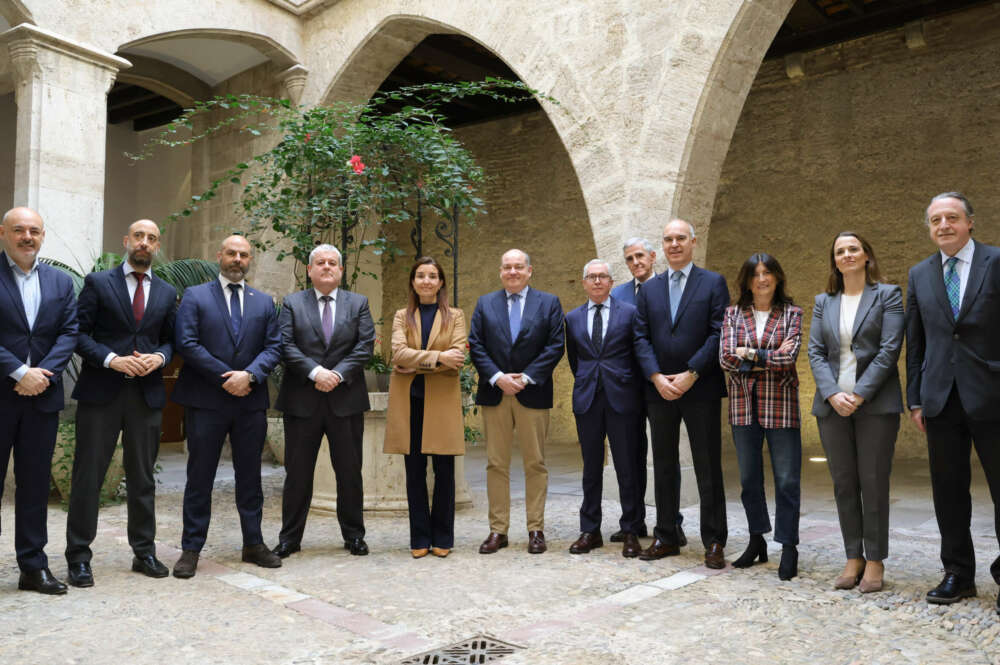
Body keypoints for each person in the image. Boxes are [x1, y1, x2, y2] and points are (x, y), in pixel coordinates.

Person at [64, 219, 177, 587]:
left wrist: (159, 359)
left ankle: (144, 551)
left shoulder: (165, 291)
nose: (144, 243)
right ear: (126, 241)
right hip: (102, 391)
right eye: (139, 237)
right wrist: (112, 359)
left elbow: (170, 340)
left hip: (146, 394)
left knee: (143, 478)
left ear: (157, 246)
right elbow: (78, 333)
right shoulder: (99, 283)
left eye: (152, 238)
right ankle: (79, 556)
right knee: (88, 476)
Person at [906, 192, 1000, 612]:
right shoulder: (920, 274)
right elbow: (916, 342)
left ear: (970, 222)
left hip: (992, 394)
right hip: (940, 398)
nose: (944, 225)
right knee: (948, 492)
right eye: (936, 220)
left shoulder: (995, 263)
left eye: (952, 217)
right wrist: (915, 399)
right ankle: (958, 573)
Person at [170, 234, 283, 578]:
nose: (237, 259)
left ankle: (253, 544)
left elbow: (274, 346)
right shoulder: (195, 296)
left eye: (244, 255)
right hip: (206, 400)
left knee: (250, 476)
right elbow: (186, 342)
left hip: (250, 401)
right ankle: (191, 548)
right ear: (219, 255)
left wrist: (249, 375)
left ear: (250, 260)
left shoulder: (264, 302)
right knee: (199, 475)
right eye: (231, 253)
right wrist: (226, 376)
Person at [808, 232, 903, 593]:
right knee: (844, 482)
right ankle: (853, 556)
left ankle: (875, 559)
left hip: (876, 404)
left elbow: (889, 350)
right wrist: (833, 394)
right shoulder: (823, 302)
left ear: (866, 256)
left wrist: (859, 394)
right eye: (840, 251)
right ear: (834, 261)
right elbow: (815, 352)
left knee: (874, 481)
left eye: (853, 249)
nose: (847, 255)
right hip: (831, 406)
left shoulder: (888, 295)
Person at [634, 219, 729, 568]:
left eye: (680, 238)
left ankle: (714, 540)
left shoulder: (712, 283)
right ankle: (666, 535)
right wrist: (657, 376)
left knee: (707, 465)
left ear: (693, 242)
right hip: (659, 390)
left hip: (700, 386)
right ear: (662, 247)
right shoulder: (650, 289)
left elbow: (719, 333)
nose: (675, 244)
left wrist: (691, 373)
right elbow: (640, 337)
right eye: (668, 239)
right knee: (663, 465)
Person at [272, 244, 374, 558]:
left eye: (332, 263)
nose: (326, 267)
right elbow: (285, 345)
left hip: (346, 401)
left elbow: (365, 345)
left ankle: (354, 535)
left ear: (340, 271)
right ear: (310, 270)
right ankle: (290, 538)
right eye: (320, 262)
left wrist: (338, 374)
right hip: (303, 401)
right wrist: (317, 373)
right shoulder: (292, 303)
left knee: (349, 472)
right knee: (298, 474)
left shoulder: (358, 303)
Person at [0, 206, 78, 595]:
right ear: (4, 233)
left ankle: (33, 567)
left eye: (34, 230)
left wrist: (41, 374)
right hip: (2, 392)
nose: (27, 237)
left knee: (34, 486)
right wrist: (18, 372)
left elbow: (69, 332)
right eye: (19, 230)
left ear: (42, 236)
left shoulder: (61, 283)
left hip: (42, 397)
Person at [468, 248, 565, 554]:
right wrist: (498, 377)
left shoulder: (548, 303)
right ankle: (498, 530)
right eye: (507, 267)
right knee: (496, 463)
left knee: (535, 463)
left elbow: (555, 345)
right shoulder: (486, 304)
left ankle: (535, 528)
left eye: (518, 267)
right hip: (496, 393)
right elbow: (476, 345)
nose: (512, 272)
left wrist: (524, 378)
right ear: (500, 272)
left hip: (532, 392)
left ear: (529, 271)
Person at [719, 253, 803, 580]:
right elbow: (726, 359)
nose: (761, 279)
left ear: (777, 277)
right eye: (754, 274)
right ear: (746, 281)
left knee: (786, 480)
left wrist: (749, 353)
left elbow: (789, 357)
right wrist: (767, 356)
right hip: (743, 406)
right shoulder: (732, 314)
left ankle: (789, 546)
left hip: (781, 405)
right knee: (749, 479)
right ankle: (757, 540)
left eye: (767, 272)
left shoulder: (792, 313)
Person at [384, 257, 466, 558]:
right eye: (421, 275)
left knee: (445, 472)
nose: (427, 281)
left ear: (441, 282)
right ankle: (419, 537)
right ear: (413, 281)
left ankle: (443, 537)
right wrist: (438, 359)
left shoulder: (455, 316)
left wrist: (419, 363)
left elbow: (458, 355)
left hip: (442, 402)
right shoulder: (401, 316)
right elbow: (397, 354)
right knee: (414, 471)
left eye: (433, 276)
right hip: (411, 402)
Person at [565, 259, 644, 557]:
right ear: (584, 282)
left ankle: (631, 529)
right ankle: (590, 530)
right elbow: (575, 360)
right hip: (587, 398)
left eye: (603, 277)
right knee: (591, 467)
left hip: (622, 397)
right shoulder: (572, 318)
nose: (597, 281)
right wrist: (589, 380)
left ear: (611, 282)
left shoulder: (630, 313)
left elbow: (638, 355)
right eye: (592, 277)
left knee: (627, 466)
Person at [610, 237, 685, 546]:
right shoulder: (618, 294)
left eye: (640, 256)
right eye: (629, 259)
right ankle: (634, 521)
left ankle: (672, 523)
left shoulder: (669, 288)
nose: (635, 262)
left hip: (659, 383)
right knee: (631, 456)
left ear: (653, 257)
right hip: (627, 387)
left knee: (666, 456)